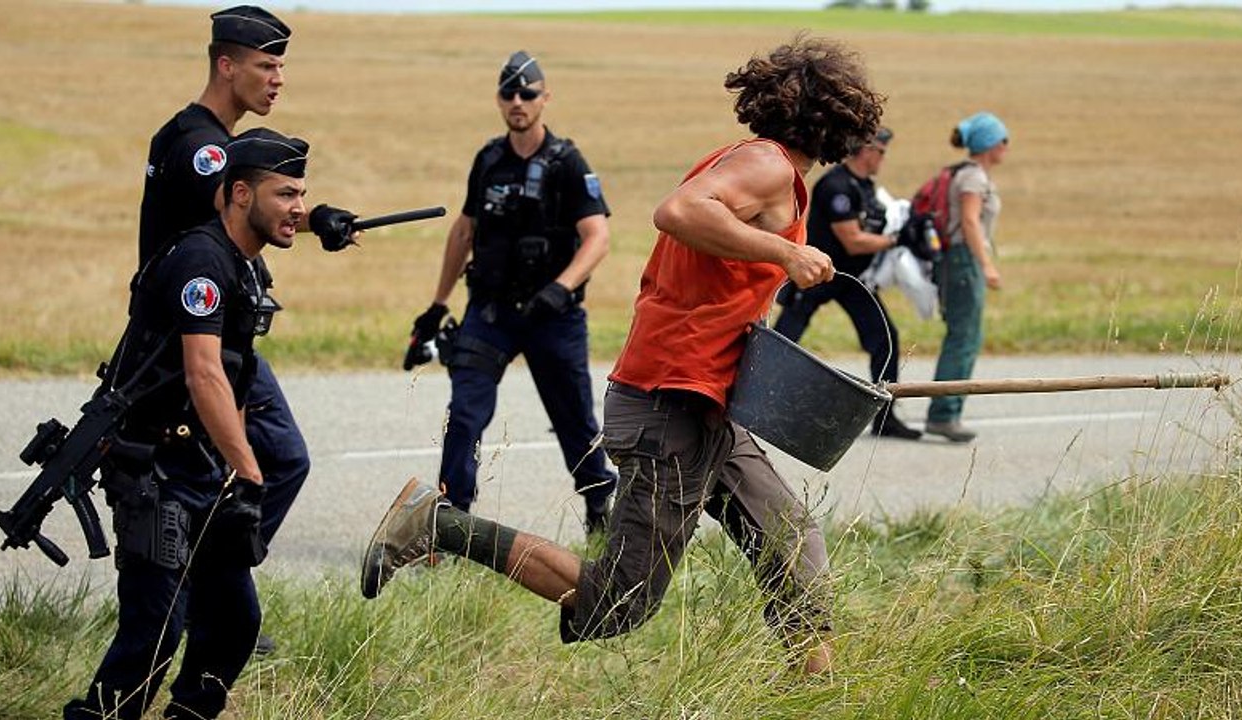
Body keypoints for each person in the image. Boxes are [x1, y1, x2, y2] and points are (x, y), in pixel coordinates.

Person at [365, 37, 883, 673]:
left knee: (789, 539)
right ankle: (437, 524)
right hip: (671, 403)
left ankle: (819, 693)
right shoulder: (768, 166)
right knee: (620, 600)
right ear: (836, 119)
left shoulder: (765, 168)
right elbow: (677, 210)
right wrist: (786, 253)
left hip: (708, 399)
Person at [64, 129, 310, 720]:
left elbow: (236, 376)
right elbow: (203, 375)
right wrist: (251, 473)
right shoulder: (200, 261)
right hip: (155, 469)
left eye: (302, 194)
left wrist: (231, 471)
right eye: (285, 195)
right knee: (154, 630)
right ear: (241, 195)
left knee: (234, 623)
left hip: (202, 469)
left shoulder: (247, 268)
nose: (299, 209)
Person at [138, 5, 357, 653]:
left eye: (282, 65)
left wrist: (319, 220)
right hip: (183, 348)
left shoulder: (210, 140)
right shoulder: (199, 145)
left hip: (213, 338)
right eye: (267, 64)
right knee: (262, 463)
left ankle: (211, 603)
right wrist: (313, 219)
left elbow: (254, 193)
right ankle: (205, 605)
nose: (278, 78)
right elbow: (244, 195)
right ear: (226, 65)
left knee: (270, 461)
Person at [403, 51, 616, 533]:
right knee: (464, 416)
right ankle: (451, 523)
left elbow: (597, 235)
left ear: (545, 99)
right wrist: (437, 307)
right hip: (490, 315)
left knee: (576, 422)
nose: (518, 102)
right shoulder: (489, 160)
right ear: (499, 101)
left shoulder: (566, 162)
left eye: (528, 93)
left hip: (553, 317)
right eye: (509, 94)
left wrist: (561, 289)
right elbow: (464, 231)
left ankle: (601, 504)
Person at [773, 126, 921, 440]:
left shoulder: (866, 187)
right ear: (866, 150)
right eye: (881, 152)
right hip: (818, 274)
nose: (883, 158)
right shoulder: (836, 187)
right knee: (782, 342)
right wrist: (896, 240)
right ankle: (757, 401)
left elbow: (875, 225)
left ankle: (885, 418)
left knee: (885, 339)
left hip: (852, 278)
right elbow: (852, 240)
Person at [924, 112, 1010, 443]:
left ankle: (947, 410)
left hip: (959, 260)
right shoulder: (973, 178)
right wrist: (985, 264)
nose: (1006, 147)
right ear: (990, 144)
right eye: (1003, 140)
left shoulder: (966, 173)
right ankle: (944, 414)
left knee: (964, 336)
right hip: (964, 261)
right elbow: (971, 223)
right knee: (964, 337)